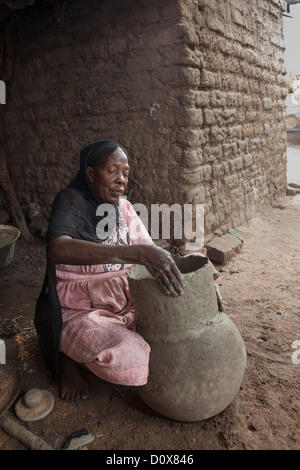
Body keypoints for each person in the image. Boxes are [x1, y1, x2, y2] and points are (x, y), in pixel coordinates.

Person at [34, 139, 186, 402]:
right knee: (131, 355)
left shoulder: (123, 208)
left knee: (180, 312)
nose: (121, 180)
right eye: (112, 171)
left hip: (126, 300)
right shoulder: (71, 201)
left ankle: (93, 346)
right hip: (83, 310)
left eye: (126, 174)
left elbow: (149, 253)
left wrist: (194, 284)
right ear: (90, 173)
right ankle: (68, 357)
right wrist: (135, 254)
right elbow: (58, 248)